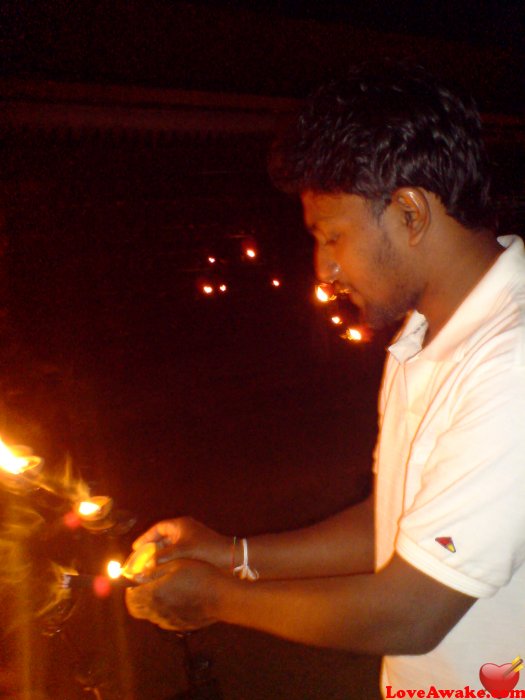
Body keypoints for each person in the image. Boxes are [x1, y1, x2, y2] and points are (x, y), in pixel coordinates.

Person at [126, 62, 525, 695]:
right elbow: (393, 524)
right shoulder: (424, 334)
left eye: (333, 236)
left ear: (410, 213)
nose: (323, 269)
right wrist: (232, 554)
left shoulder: (512, 364)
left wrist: (218, 599)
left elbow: (410, 611)